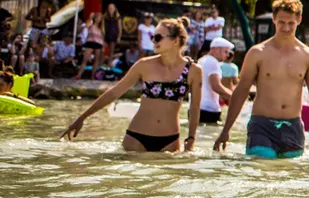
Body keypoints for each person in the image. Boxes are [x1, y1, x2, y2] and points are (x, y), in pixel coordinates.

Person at [214, 0, 309, 158]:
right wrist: (226, 130)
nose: (286, 27)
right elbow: (241, 91)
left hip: (292, 126)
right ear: (274, 19)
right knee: (261, 165)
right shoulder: (257, 53)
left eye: (291, 23)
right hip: (262, 126)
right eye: (281, 22)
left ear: (299, 20)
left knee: (289, 172)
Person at [60, 17, 202, 152]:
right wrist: (82, 117)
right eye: (153, 37)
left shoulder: (194, 71)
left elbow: (194, 107)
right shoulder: (144, 65)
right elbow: (114, 92)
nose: (153, 41)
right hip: (137, 138)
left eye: (158, 37)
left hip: (170, 140)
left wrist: (191, 138)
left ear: (175, 41)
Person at [197, 37, 235, 125]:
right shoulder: (213, 63)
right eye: (226, 51)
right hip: (208, 109)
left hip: (196, 107)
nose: (227, 55)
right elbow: (216, 86)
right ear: (216, 49)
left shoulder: (201, 60)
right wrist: (234, 97)